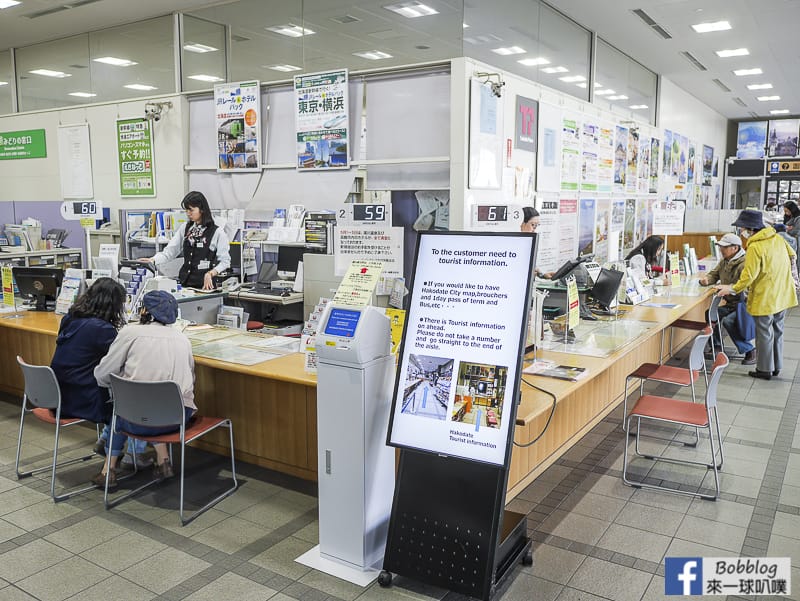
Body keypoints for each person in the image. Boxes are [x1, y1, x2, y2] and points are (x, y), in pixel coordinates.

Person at [92, 290, 197, 489]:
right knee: (145, 406)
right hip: (176, 419)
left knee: (122, 407)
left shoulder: (130, 333)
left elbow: (102, 375)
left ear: (144, 311)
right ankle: (163, 460)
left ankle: (108, 470)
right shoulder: (183, 339)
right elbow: (191, 381)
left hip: (134, 420)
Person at [715, 209, 798, 380]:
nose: (742, 232)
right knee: (777, 330)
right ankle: (776, 366)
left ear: (750, 229)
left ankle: (764, 369)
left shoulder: (755, 246)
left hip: (766, 295)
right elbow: (793, 255)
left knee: (764, 333)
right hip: (782, 292)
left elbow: (748, 276)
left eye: (743, 228)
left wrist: (731, 289)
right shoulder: (777, 239)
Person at [50, 278, 127, 424]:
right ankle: (115, 445)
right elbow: (120, 360)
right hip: (83, 399)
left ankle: (108, 441)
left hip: (58, 395)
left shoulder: (69, 318)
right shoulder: (102, 329)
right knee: (128, 397)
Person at [142, 191, 230, 290]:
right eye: (186, 210)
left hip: (205, 286)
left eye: (191, 210)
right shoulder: (185, 228)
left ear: (202, 209)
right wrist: (153, 260)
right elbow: (170, 252)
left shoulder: (217, 232)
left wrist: (211, 273)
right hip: (185, 284)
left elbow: (225, 261)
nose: (188, 214)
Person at [698, 233, 755, 364]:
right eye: (720, 246)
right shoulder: (725, 261)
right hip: (731, 304)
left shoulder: (745, 263)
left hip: (745, 304)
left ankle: (750, 350)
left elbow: (747, 287)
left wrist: (729, 287)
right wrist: (707, 280)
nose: (721, 250)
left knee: (729, 321)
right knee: (712, 314)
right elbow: (714, 274)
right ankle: (717, 346)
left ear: (735, 248)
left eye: (724, 247)